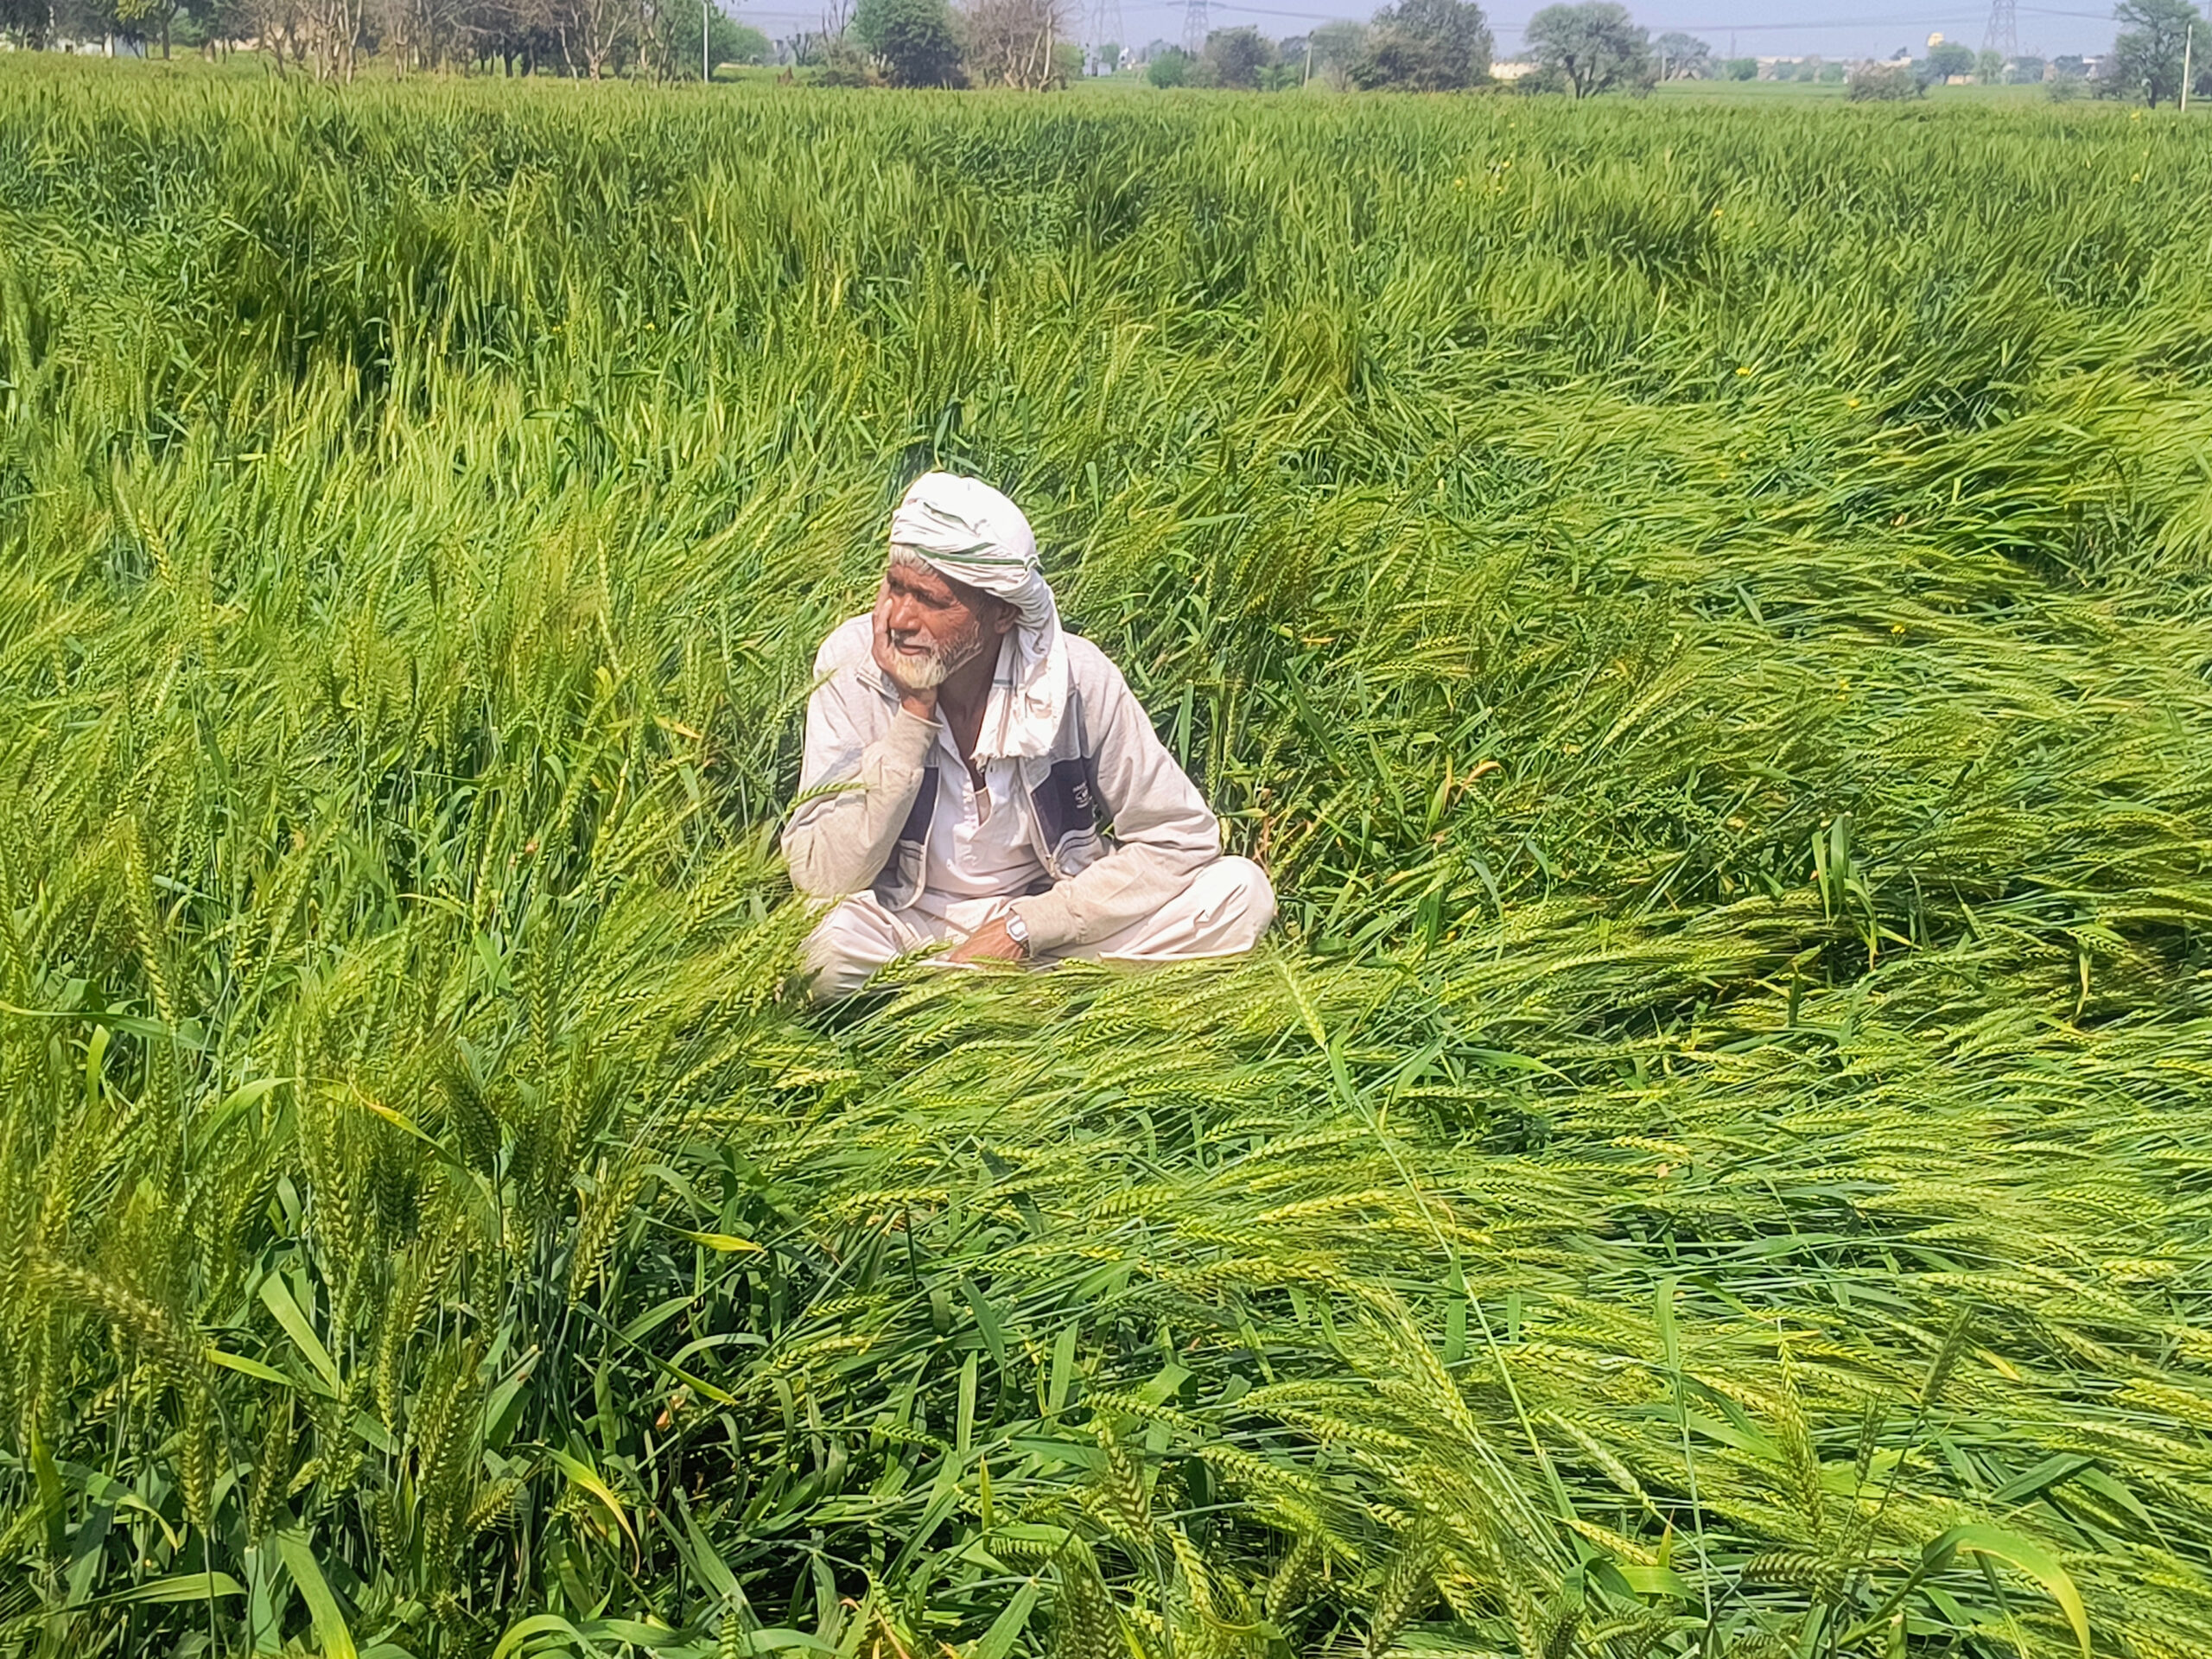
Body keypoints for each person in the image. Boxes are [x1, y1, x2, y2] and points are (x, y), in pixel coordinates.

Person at [786, 472, 1275, 1001]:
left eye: (930, 599)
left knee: (1240, 894)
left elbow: (1181, 837)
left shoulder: (1074, 678)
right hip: (904, 925)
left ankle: (939, 1004)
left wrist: (1027, 928)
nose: (900, 617)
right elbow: (821, 877)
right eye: (895, 586)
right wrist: (913, 714)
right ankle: (1035, 1001)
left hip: (1049, 922)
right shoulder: (852, 665)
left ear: (1003, 614)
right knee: (825, 955)